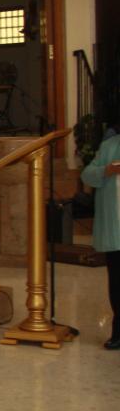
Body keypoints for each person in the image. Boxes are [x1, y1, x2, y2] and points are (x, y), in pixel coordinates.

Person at [79, 121, 120, 349]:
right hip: (117, 230)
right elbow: (87, 175)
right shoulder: (110, 146)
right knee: (117, 283)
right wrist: (107, 170)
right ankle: (119, 331)